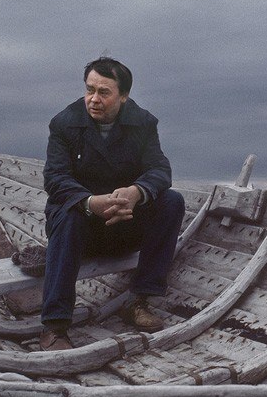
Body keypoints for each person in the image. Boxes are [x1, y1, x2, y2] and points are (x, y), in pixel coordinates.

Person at [40, 57, 185, 351]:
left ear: (123, 96)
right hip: (81, 228)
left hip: (124, 223)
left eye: (103, 92)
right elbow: (54, 179)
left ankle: (139, 300)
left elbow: (160, 170)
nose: (94, 99)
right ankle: (55, 326)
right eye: (89, 89)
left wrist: (136, 192)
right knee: (67, 213)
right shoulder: (64, 124)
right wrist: (90, 202)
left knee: (172, 201)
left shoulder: (143, 123)